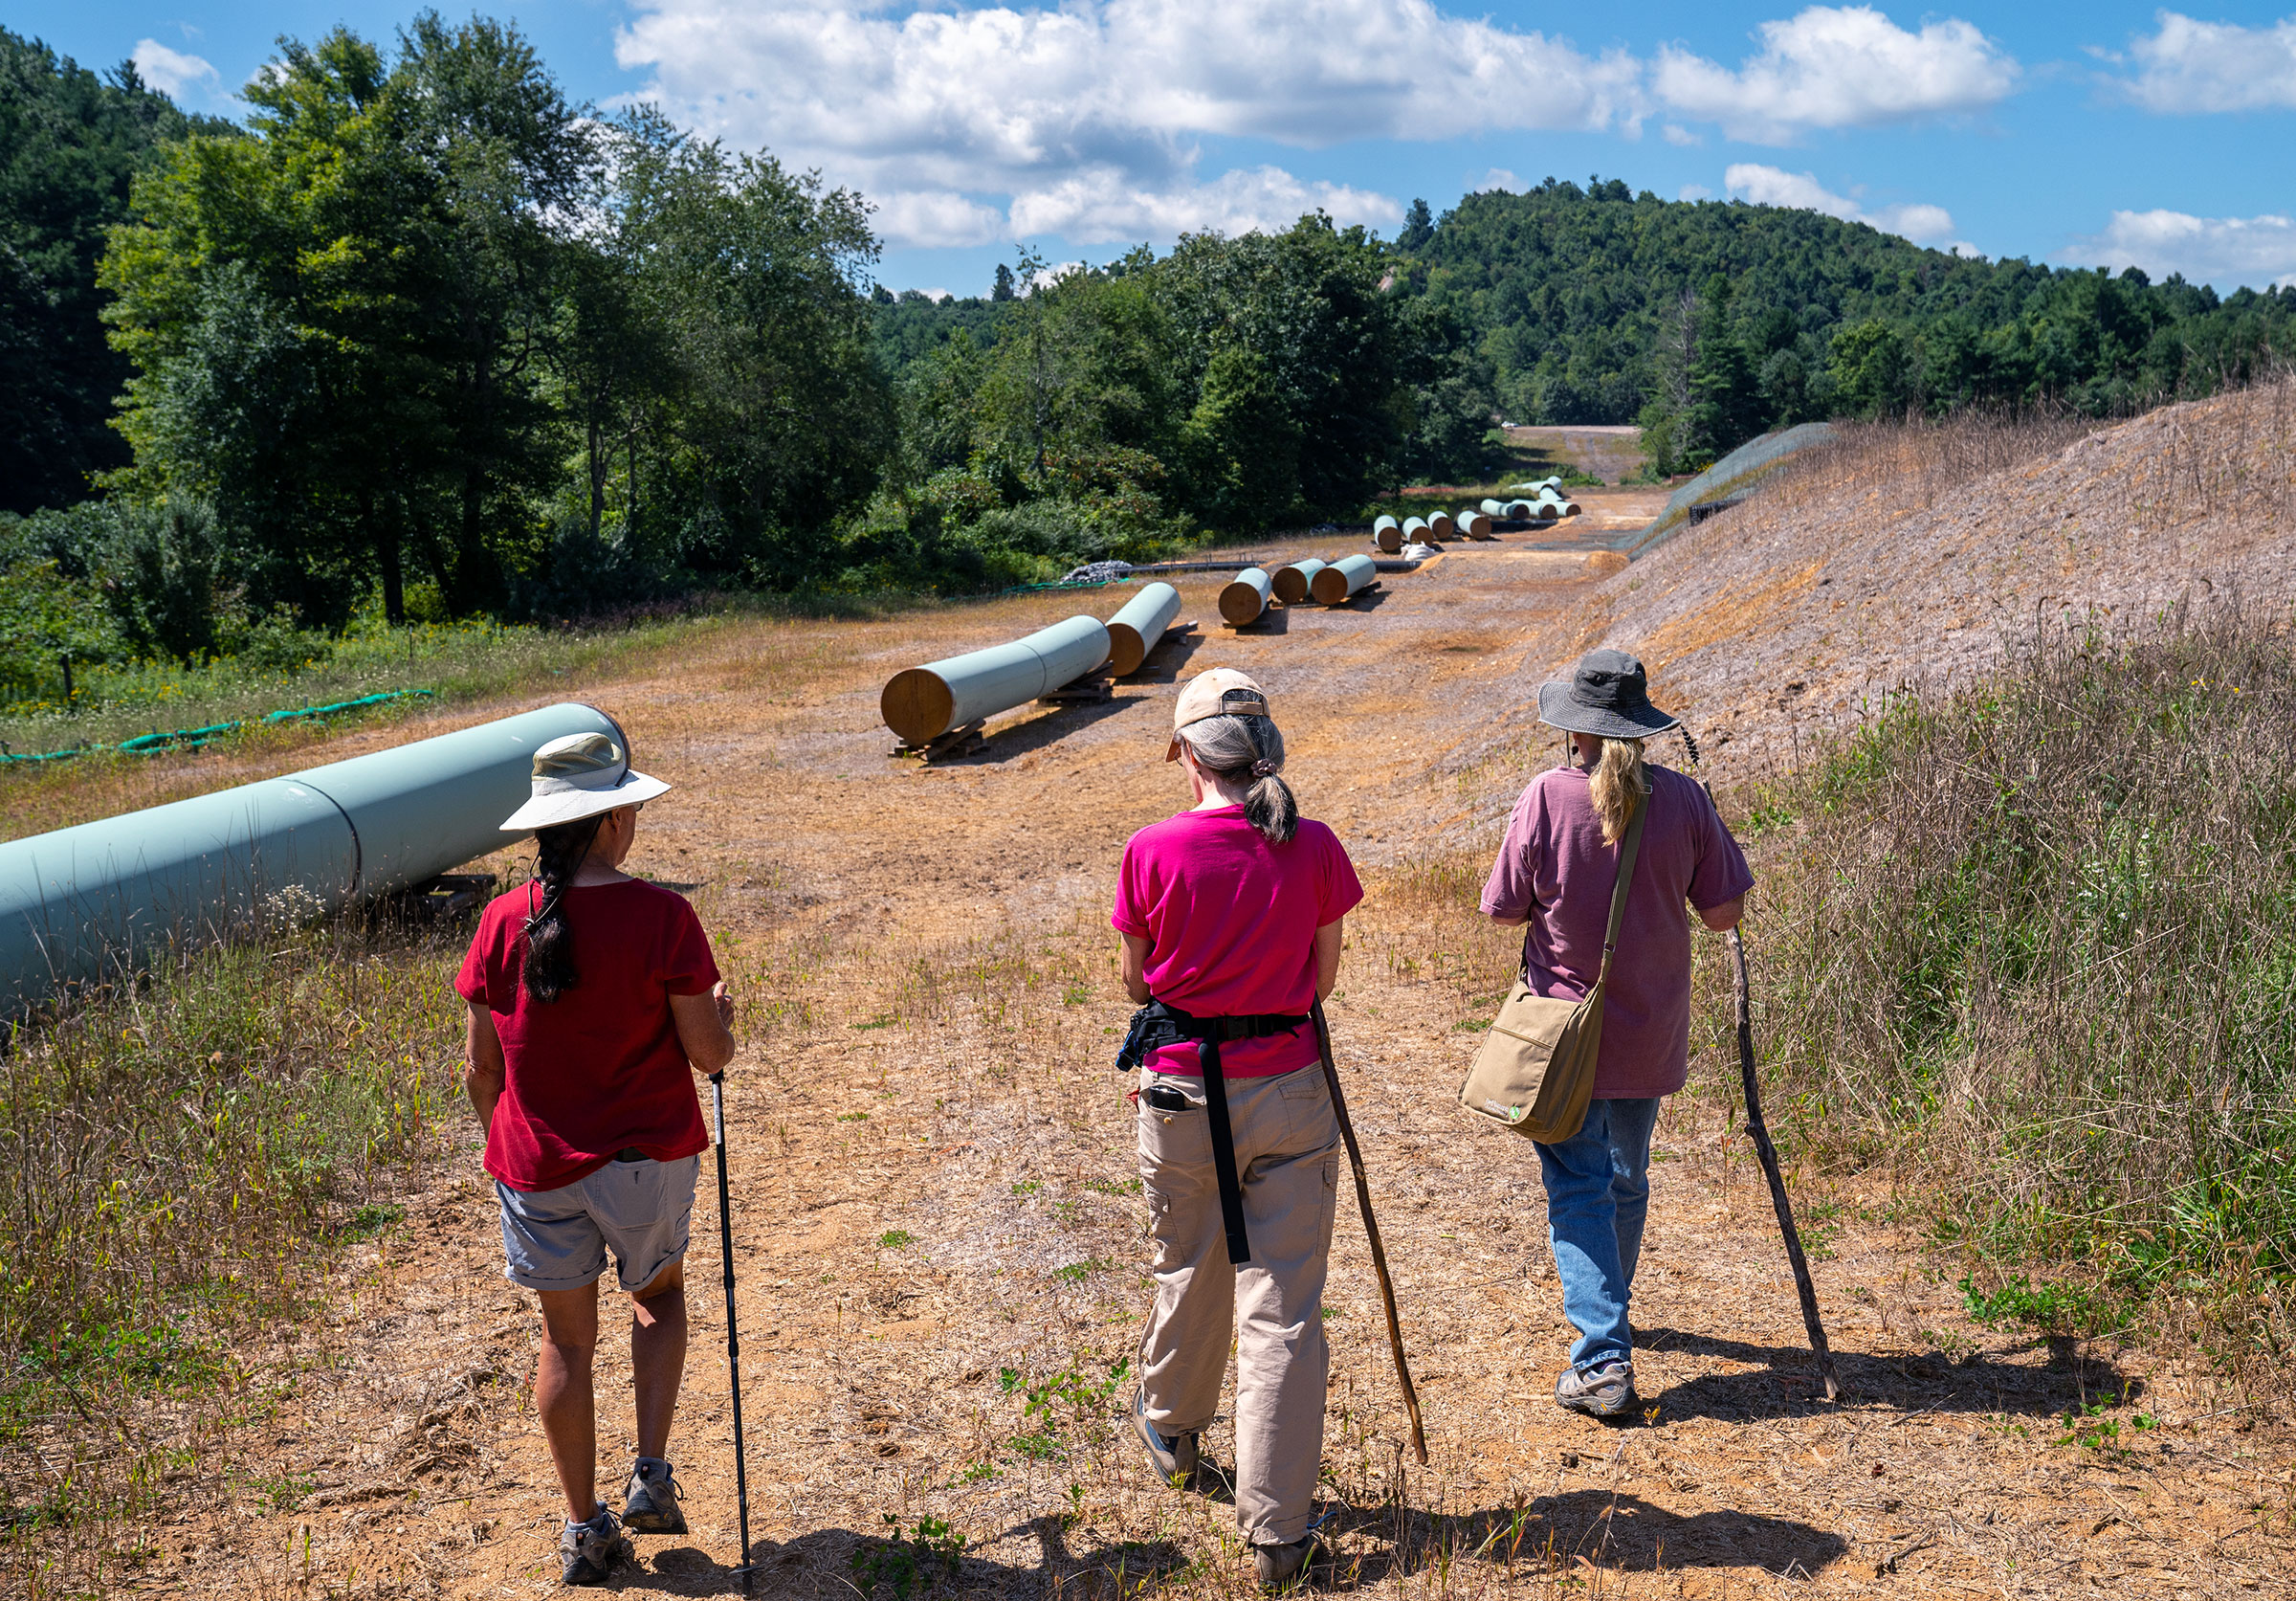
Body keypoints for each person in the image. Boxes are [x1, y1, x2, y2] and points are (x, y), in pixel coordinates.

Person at [456, 732, 737, 1586]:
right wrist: (726, 1014)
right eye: (634, 806)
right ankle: (651, 1474)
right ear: (613, 815)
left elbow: (482, 1070)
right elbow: (709, 1056)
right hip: (644, 1157)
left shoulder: (503, 919)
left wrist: (504, 1151)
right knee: (657, 1297)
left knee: (563, 1346)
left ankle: (582, 1527)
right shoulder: (663, 916)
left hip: (536, 1166)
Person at [1112, 669, 1363, 1591]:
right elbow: (1320, 982)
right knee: (1284, 1308)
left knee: (1188, 1263)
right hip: (1289, 1089)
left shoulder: (1149, 850)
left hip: (1180, 1094)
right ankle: (1280, 1532)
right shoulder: (1317, 846)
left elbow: (1139, 986)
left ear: (1186, 752)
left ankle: (1173, 1428)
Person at [1479, 650, 1752, 1420]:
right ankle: (1612, 1313)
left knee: (1578, 1187)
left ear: (1577, 727)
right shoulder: (1687, 800)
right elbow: (1725, 914)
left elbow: (1502, 911)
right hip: (1650, 1027)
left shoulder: (1544, 798)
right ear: (1642, 725)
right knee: (1625, 1178)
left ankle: (1602, 1358)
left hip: (1564, 1033)